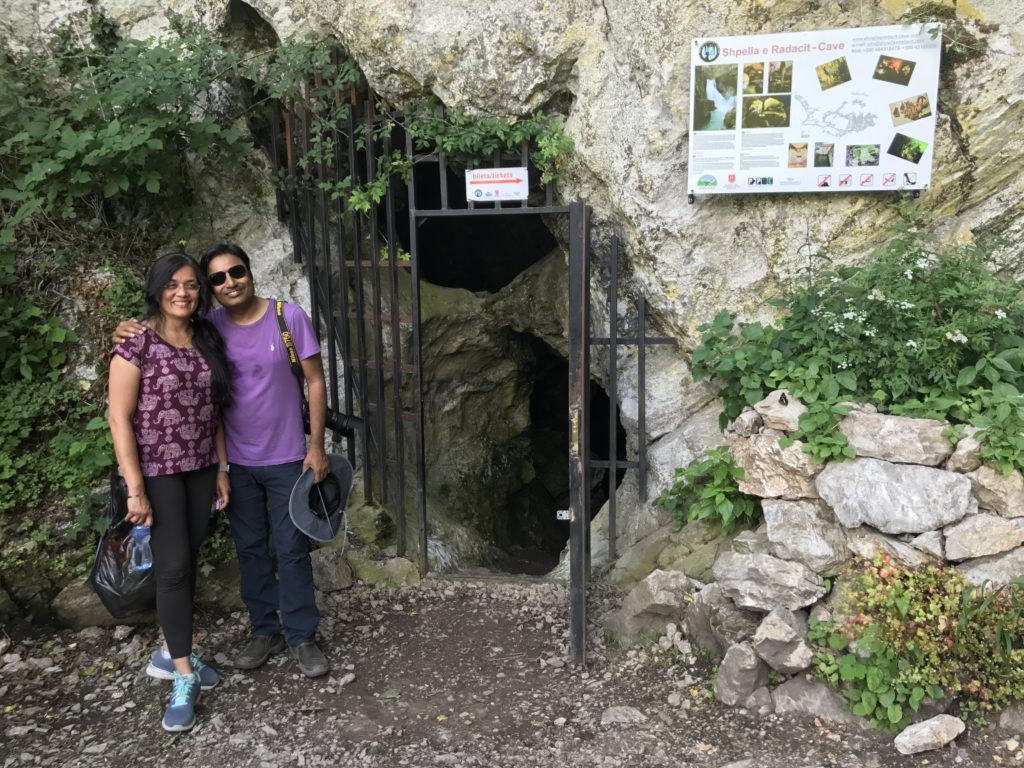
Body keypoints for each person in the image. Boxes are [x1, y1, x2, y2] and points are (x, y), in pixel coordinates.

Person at [115, 243, 332, 678]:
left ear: (250, 272)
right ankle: (263, 629)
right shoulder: (208, 328)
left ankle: (302, 635)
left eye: (236, 272)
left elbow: (315, 382)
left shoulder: (287, 319)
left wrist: (317, 445)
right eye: (217, 278)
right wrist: (123, 331)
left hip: (289, 455)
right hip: (236, 463)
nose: (229, 282)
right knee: (251, 549)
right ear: (211, 290)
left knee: (291, 549)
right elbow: (157, 337)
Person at [108, 253, 233, 732]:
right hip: (157, 473)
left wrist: (221, 467)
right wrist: (134, 490)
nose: (183, 293)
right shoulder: (135, 343)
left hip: (201, 469)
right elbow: (119, 418)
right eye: (173, 285)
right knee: (175, 568)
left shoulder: (205, 338)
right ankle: (183, 674)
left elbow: (214, 409)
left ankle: (168, 652)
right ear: (156, 288)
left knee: (187, 560)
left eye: (192, 286)